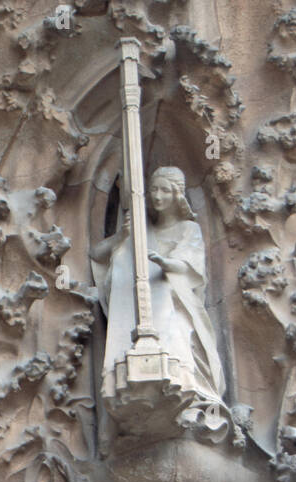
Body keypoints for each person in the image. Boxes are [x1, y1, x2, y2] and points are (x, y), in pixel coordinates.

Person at [91, 166, 225, 415]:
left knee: (179, 335)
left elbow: (189, 266)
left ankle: (186, 387)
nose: (158, 196)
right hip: (143, 309)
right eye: (154, 189)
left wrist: (165, 263)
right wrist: (122, 237)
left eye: (165, 190)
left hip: (176, 301)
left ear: (177, 195)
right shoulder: (140, 232)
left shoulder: (188, 229)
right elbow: (96, 255)